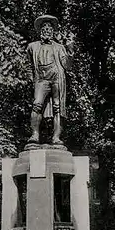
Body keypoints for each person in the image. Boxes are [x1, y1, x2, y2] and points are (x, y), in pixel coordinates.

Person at [26, 15, 74, 145]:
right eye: (44, 27)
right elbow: (29, 65)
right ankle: (35, 135)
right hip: (41, 79)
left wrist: (70, 50)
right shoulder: (32, 47)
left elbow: (67, 66)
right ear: (40, 30)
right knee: (37, 104)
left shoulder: (59, 47)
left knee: (58, 107)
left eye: (49, 28)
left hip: (57, 78)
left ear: (53, 31)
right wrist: (31, 79)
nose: (47, 30)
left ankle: (56, 137)